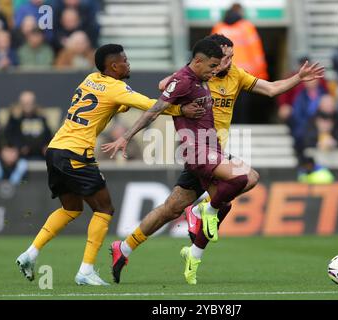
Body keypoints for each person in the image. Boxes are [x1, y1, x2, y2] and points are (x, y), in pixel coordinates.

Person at [105, 36, 324, 286]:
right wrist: (175, 107)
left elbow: (272, 89)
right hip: (200, 150)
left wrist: (298, 78)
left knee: (172, 208)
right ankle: (199, 219)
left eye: (231, 57)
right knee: (243, 182)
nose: (227, 62)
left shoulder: (235, 76)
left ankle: (125, 247)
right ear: (209, 58)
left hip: (214, 151)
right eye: (222, 58)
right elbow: (163, 91)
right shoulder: (193, 76)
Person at [15, 44, 203, 286]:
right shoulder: (116, 88)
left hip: (55, 150)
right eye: (125, 60)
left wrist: (123, 103)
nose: (128, 63)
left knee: (72, 209)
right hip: (76, 153)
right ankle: (86, 270)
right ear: (114, 66)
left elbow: (111, 103)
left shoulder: (91, 78)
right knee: (105, 209)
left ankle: (30, 254)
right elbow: (150, 105)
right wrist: (181, 109)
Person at [4, 90, 52, 160]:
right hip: (20, 158)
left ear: (34, 103)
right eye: (25, 102)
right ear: (20, 103)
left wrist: (46, 146)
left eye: (30, 102)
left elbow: (48, 135)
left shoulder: (41, 117)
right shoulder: (15, 119)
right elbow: (9, 136)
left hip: (40, 156)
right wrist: (19, 147)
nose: (28, 104)